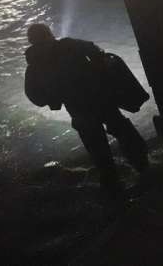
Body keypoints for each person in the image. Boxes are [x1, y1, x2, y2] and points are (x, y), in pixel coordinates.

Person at [24, 23, 149, 197]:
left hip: (77, 108)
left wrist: (52, 99)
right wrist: (101, 71)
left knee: (97, 149)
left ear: (31, 41)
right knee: (122, 130)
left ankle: (113, 187)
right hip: (99, 97)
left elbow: (33, 94)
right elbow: (95, 51)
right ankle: (144, 168)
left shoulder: (34, 65)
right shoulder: (69, 45)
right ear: (49, 34)